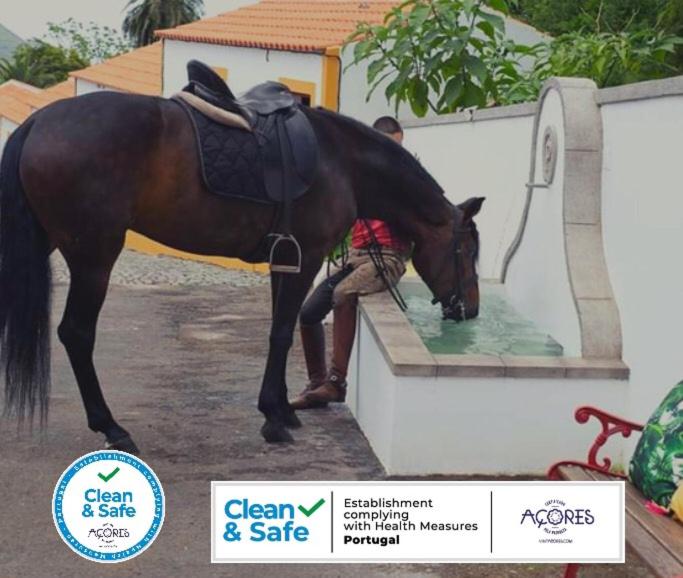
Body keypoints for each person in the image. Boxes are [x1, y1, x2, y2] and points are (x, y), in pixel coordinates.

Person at [290, 116, 410, 410]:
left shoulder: (408, 179)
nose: (395, 154)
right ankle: (316, 382)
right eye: (389, 147)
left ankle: (336, 382)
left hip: (388, 256)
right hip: (356, 254)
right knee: (308, 312)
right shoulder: (362, 175)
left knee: (344, 294)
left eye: (398, 147)